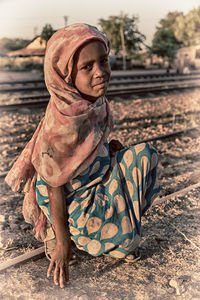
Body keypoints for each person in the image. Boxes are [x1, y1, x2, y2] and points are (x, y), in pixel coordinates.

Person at [5, 23, 160, 288]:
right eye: (87, 67)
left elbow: (88, 149)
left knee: (146, 155)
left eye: (103, 61)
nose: (100, 72)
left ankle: (112, 232)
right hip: (72, 200)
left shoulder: (92, 104)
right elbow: (54, 185)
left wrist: (108, 151)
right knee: (125, 243)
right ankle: (63, 233)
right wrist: (63, 245)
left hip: (94, 182)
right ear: (65, 76)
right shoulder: (63, 123)